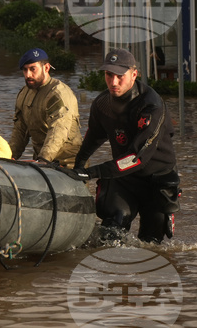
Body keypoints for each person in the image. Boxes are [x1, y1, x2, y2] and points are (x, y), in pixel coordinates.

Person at [70, 48, 180, 244]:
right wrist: (79, 166)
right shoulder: (102, 103)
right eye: (109, 75)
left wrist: (93, 172)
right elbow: (94, 137)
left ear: (134, 74)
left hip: (157, 179)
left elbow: (137, 157)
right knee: (110, 234)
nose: (113, 82)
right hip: (124, 178)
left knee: (151, 243)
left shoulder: (151, 106)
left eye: (120, 76)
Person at [9, 48, 83, 166]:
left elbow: (58, 130)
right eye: (25, 70)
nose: (28, 75)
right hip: (42, 162)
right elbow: (20, 130)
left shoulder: (58, 94)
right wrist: (9, 157)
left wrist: (44, 159)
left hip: (68, 163)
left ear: (46, 68)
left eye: (33, 69)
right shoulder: (24, 93)